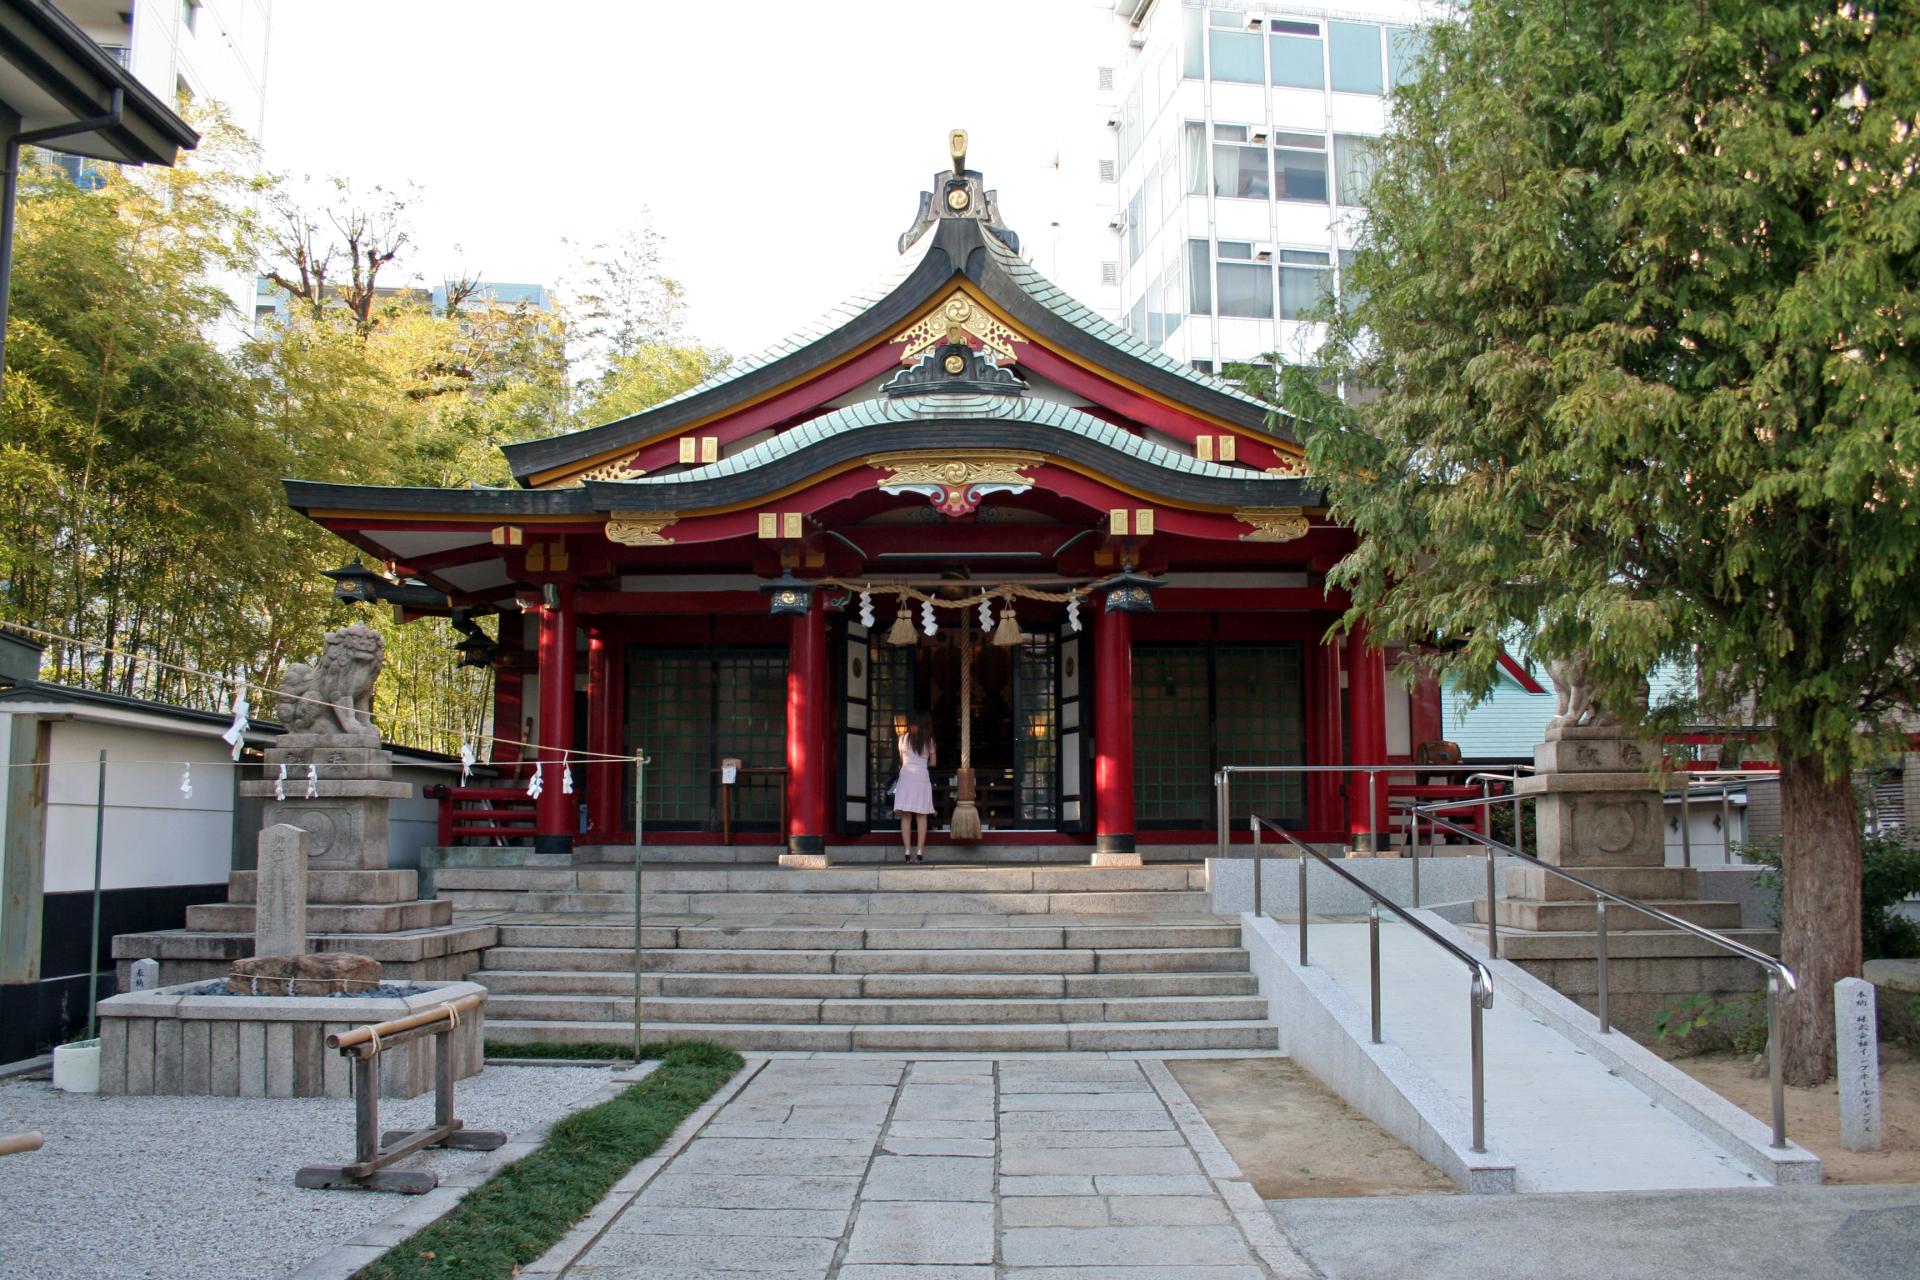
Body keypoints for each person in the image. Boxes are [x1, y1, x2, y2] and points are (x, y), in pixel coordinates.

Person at [894, 711, 936, 863]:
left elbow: (902, 760)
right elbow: (933, 763)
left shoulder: (903, 739)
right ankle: (919, 852)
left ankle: (906, 852)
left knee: (906, 816)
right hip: (921, 777)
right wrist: (922, 762)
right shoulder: (928, 741)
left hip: (906, 777)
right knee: (921, 816)